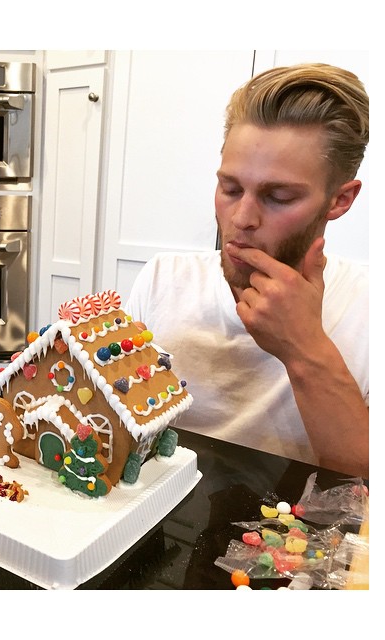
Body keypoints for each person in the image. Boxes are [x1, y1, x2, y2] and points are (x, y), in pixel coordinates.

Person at [125, 63, 369, 478]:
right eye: (230, 188)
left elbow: (366, 488)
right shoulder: (164, 278)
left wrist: (305, 348)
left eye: (278, 196)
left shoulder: (368, 307)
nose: (241, 218)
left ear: (339, 200)